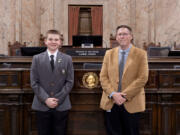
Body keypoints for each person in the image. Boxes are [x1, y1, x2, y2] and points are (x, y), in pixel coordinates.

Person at [100, 25, 149, 135]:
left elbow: (143, 78)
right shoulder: (109, 54)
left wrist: (124, 96)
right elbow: (103, 77)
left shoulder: (141, 54)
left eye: (125, 34)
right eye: (120, 34)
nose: (122, 36)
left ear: (131, 36)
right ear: (116, 38)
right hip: (111, 101)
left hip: (132, 102)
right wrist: (113, 94)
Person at [30, 29, 74, 135]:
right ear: (45, 41)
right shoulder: (37, 59)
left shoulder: (67, 59)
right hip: (42, 105)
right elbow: (34, 82)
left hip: (61, 104)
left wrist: (57, 99)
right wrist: (46, 99)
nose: (53, 42)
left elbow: (69, 82)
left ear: (60, 42)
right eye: (50, 39)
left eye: (56, 39)